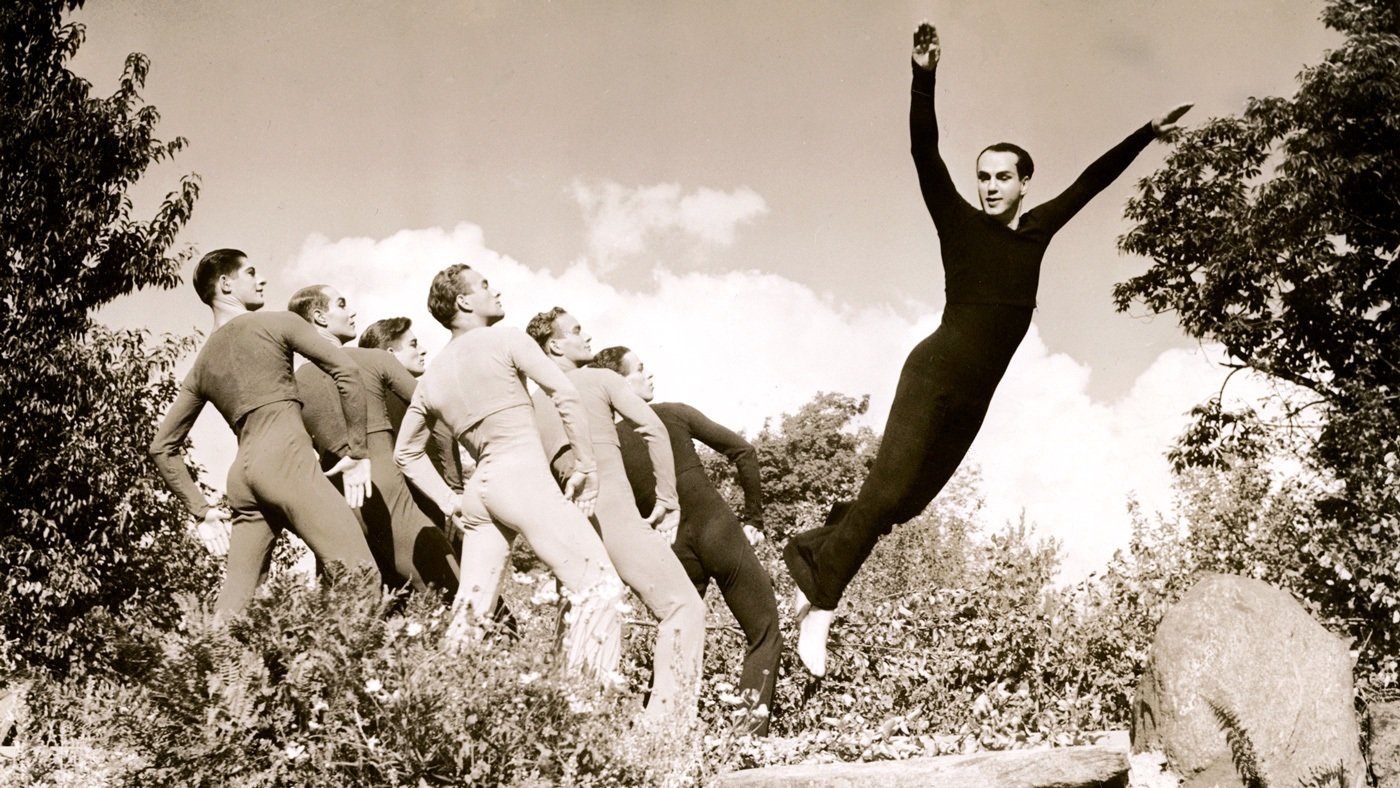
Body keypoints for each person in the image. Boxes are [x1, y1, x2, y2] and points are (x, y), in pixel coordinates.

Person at [782, 21, 1194, 676]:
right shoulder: (958, 223)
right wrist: (924, 76)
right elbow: (925, 154)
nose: (992, 185)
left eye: (1004, 176)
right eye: (984, 177)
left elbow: (1091, 181)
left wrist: (1146, 134)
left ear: (1025, 183)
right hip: (934, 372)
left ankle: (811, 549)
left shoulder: (1035, 232)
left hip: (975, 396)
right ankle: (820, 608)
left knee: (907, 505)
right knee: (886, 494)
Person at [393, 264, 623, 678]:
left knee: (469, 616)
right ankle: (586, 712)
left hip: (481, 491)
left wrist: (449, 501)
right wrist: (586, 464)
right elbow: (565, 393)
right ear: (463, 301)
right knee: (601, 587)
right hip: (522, 478)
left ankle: (439, 708)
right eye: (484, 286)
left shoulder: (433, 375)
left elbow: (405, 453)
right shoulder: (505, 339)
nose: (494, 291)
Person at [149, 249, 378, 616]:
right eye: (251, 273)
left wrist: (202, 511)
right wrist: (358, 452)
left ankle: (216, 672)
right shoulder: (278, 323)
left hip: (243, 479)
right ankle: (336, 672)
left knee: (232, 613)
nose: (262, 280)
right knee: (361, 577)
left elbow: (162, 447)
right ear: (225, 284)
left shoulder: (202, 364)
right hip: (286, 459)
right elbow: (346, 372)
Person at [526, 308, 706, 723]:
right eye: (576, 330)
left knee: (581, 621)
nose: (586, 336)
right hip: (612, 508)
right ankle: (665, 731)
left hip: (567, 520)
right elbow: (654, 429)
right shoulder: (600, 379)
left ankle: (572, 730)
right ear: (555, 345)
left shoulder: (533, 403)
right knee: (683, 607)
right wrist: (667, 499)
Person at [594, 345, 782, 735]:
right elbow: (744, 451)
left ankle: (657, 735)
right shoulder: (672, 413)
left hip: (672, 547)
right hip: (718, 530)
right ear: (618, 382)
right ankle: (747, 739)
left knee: (677, 636)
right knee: (764, 628)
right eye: (640, 369)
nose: (649, 375)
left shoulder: (605, 446)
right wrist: (754, 518)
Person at [288, 285, 460, 595]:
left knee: (364, 608)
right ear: (319, 317)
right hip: (385, 484)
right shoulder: (373, 360)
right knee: (450, 590)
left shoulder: (292, 384)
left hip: (337, 498)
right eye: (341, 304)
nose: (351, 311)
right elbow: (438, 409)